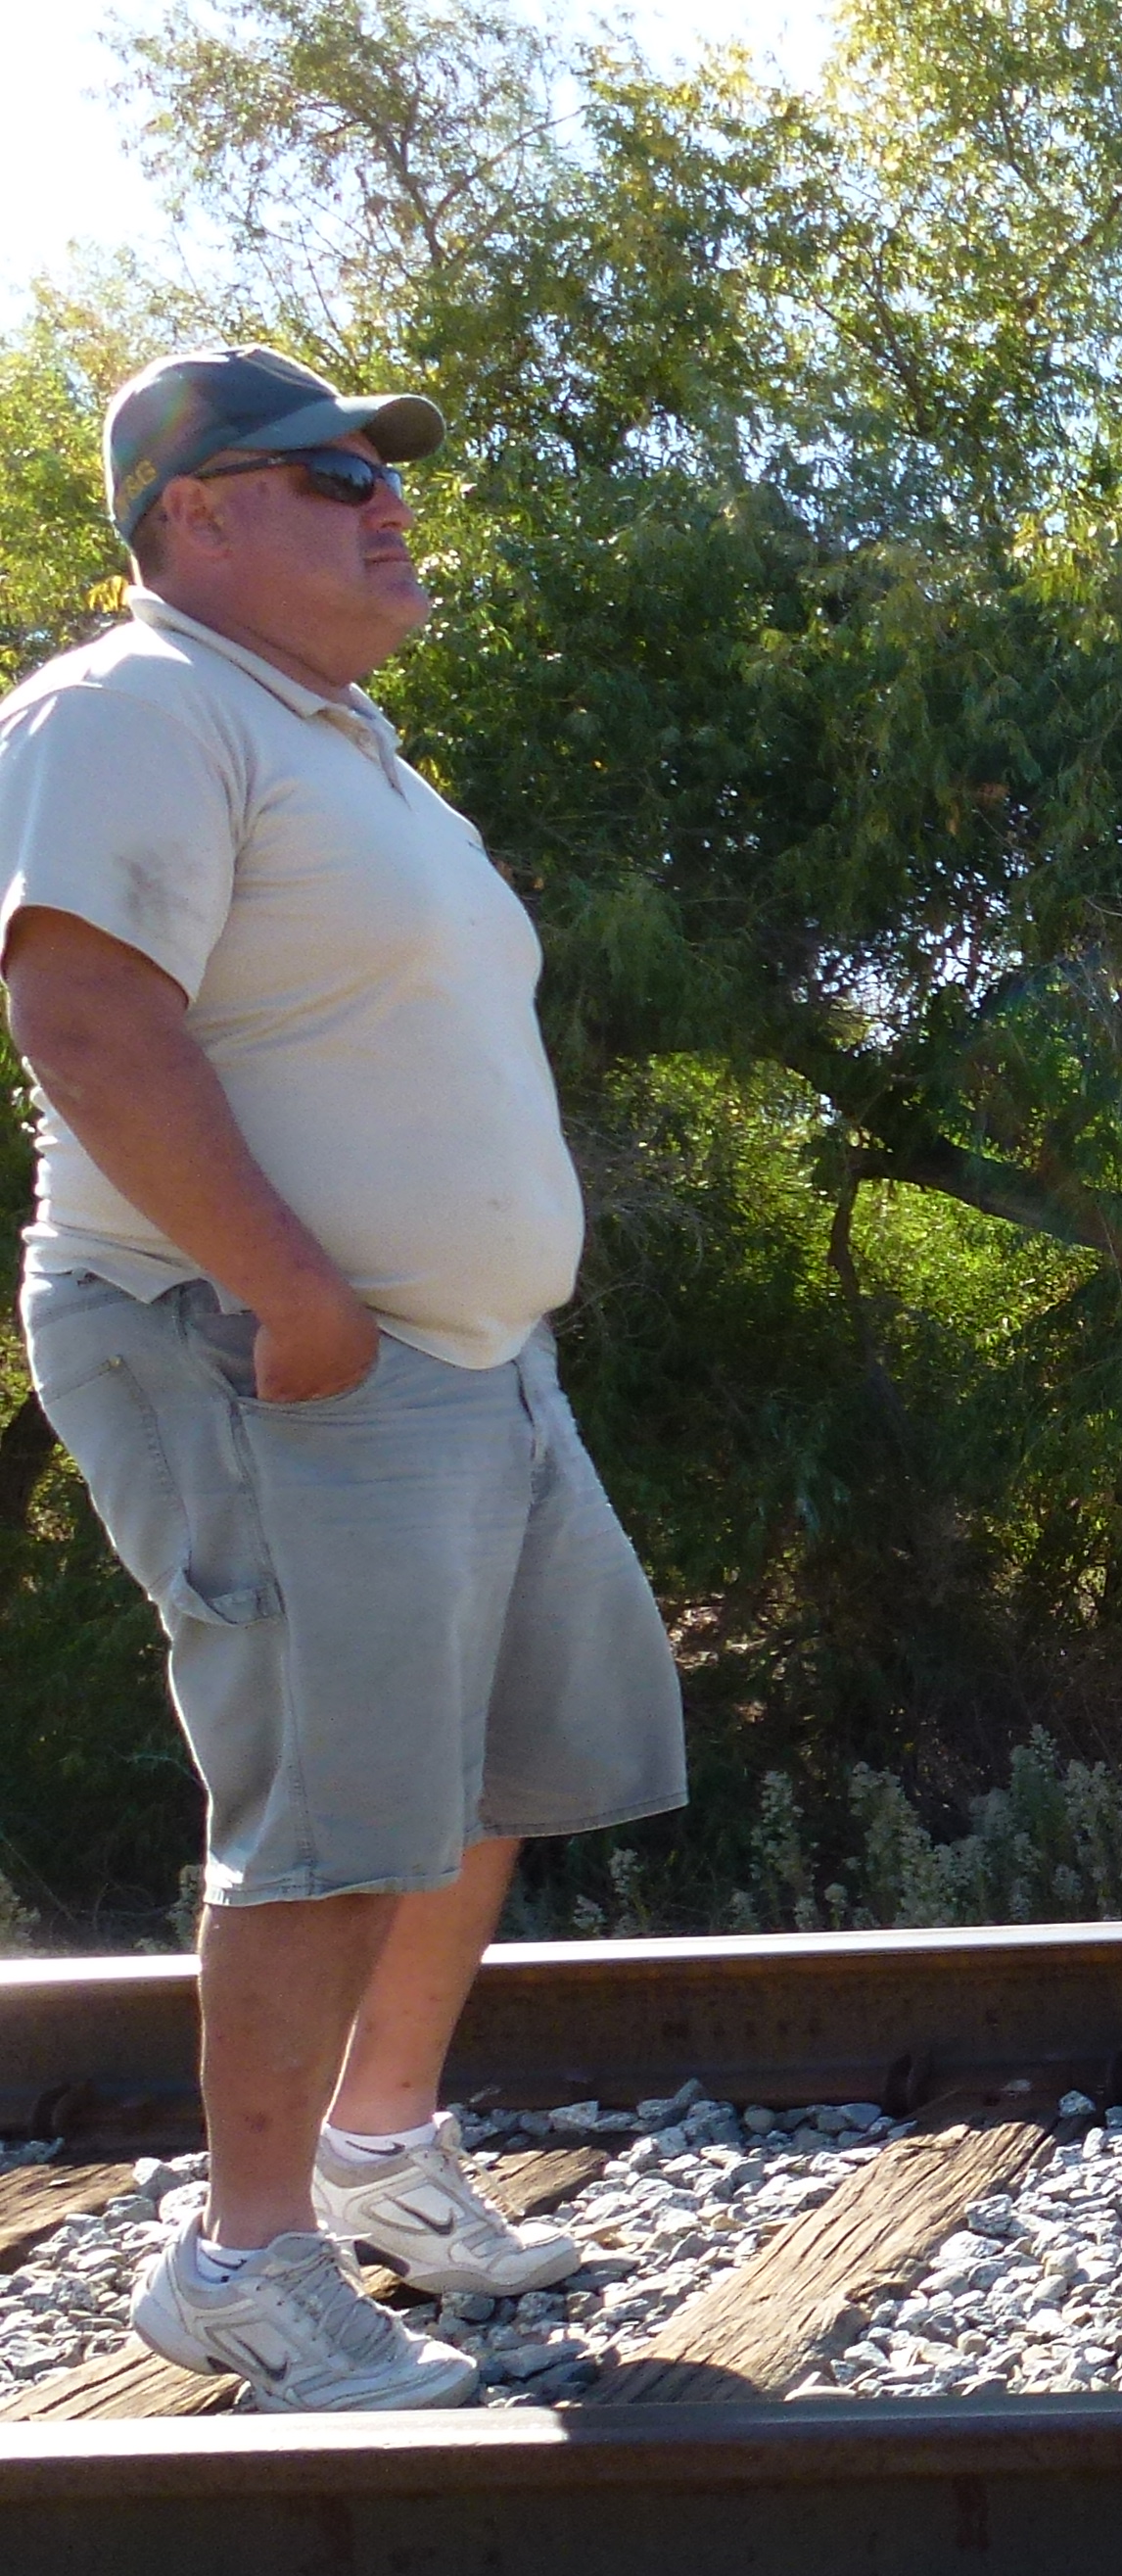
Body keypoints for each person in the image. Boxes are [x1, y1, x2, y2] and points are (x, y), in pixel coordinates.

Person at [0, 346, 684, 2409]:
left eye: (383, 473)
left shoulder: (351, 749)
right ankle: (246, 2259)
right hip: (260, 1353)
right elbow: (83, 1015)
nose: (385, 504)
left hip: (463, 1357)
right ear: (196, 516)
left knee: (468, 1786)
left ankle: (376, 2154)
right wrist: (294, 1296)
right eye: (327, 476)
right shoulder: (134, 707)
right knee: (327, 1808)